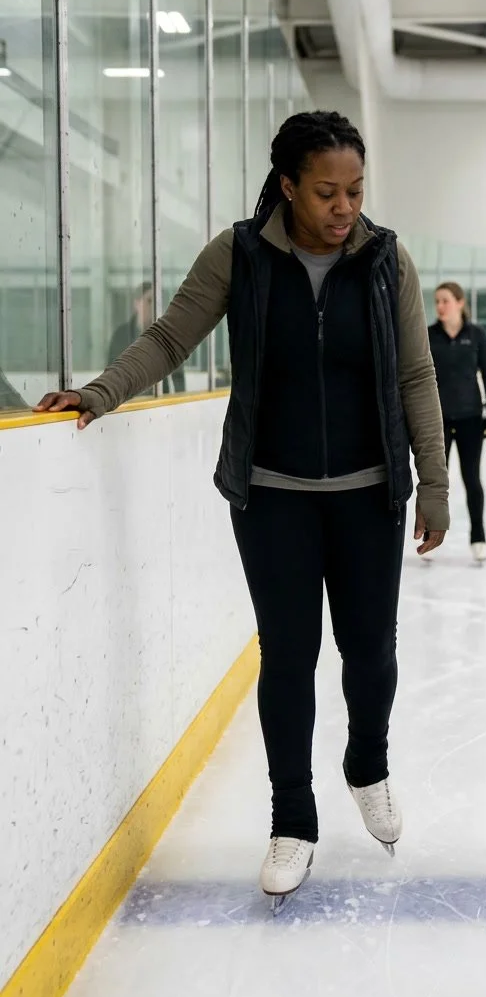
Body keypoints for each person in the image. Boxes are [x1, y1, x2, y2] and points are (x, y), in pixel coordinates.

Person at [36, 110, 449, 910]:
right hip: (272, 498)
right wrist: (99, 392)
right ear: (288, 186)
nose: (343, 206)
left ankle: (368, 764)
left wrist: (432, 483)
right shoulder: (242, 255)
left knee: (371, 652)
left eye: (356, 190)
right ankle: (292, 816)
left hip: (370, 497)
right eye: (326, 191)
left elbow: (418, 377)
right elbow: (168, 338)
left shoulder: (387, 259)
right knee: (288, 657)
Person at [428, 281, 486, 563]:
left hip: (470, 419)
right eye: (437, 302)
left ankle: (478, 536)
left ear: (459, 302)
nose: (440, 306)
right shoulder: (429, 335)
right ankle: (430, 534)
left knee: (471, 479)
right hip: (437, 422)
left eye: (445, 300)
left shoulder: (477, 335)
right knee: (434, 482)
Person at [108, 281, 186, 396]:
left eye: (157, 301)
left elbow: (178, 373)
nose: (154, 305)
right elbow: (112, 372)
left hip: (160, 400)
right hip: (130, 402)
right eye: (149, 300)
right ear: (137, 303)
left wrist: (181, 401)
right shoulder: (122, 335)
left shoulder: (165, 333)